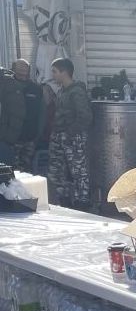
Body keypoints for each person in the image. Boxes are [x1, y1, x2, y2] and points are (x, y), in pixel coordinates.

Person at [48, 58, 92, 209]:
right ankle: (63, 201)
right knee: (58, 171)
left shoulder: (77, 92)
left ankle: (82, 203)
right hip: (59, 137)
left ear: (64, 72)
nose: (52, 75)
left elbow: (85, 117)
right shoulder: (62, 91)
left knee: (79, 171)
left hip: (73, 138)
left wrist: (69, 133)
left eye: (54, 71)